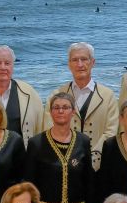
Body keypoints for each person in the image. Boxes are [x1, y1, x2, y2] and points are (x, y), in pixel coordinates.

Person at [43, 42, 119, 170]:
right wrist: (68, 159)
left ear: (92, 62)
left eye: (84, 59)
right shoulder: (55, 95)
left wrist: (92, 160)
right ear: (69, 64)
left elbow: (111, 131)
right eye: (75, 60)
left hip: (100, 165)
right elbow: (48, 129)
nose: (80, 64)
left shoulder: (108, 95)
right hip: (63, 163)